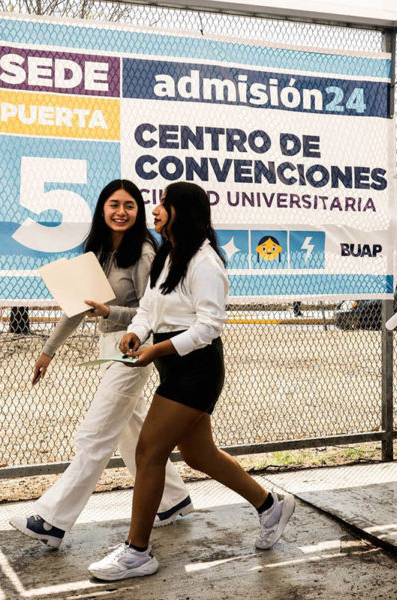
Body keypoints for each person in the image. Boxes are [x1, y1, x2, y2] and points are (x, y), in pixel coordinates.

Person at [87, 182, 295, 582]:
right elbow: (149, 306)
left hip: (197, 369)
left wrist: (155, 351)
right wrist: (138, 333)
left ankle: (137, 553)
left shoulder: (205, 263)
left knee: (149, 452)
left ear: (184, 211)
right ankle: (270, 505)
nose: (157, 208)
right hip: (173, 363)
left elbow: (208, 327)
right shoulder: (169, 253)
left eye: (165, 203)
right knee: (200, 455)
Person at [9, 180, 192, 548]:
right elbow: (77, 307)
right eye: (114, 204)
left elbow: (151, 311)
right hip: (109, 346)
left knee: (96, 433)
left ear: (138, 211)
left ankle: (52, 520)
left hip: (134, 347)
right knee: (129, 431)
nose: (121, 212)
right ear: (102, 208)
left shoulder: (143, 253)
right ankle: (173, 501)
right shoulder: (99, 251)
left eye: (129, 205)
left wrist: (110, 311)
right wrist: (48, 350)